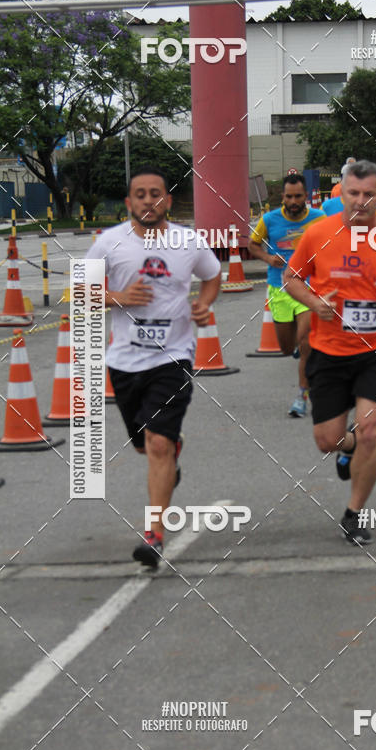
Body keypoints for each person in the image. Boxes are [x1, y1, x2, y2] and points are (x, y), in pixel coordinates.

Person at [86, 167, 221, 568]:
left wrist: (204, 303)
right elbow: (80, 292)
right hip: (124, 362)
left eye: (156, 194)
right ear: (129, 202)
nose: (148, 200)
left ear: (167, 200)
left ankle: (154, 534)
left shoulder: (188, 241)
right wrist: (117, 296)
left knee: (158, 445)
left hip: (172, 358)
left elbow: (212, 276)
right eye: (140, 195)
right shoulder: (109, 243)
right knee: (146, 445)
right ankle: (169, 456)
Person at [283, 160, 376, 545]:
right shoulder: (317, 234)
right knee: (328, 440)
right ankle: (347, 448)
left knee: (372, 429)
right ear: (340, 194)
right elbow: (290, 279)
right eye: (353, 194)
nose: (360, 202)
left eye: (369, 195)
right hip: (328, 352)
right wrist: (314, 302)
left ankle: (354, 512)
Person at [248, 173, 325, 416]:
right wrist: (268, 258)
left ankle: (302, 397)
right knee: (285, 347)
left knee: (305, 343)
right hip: (278, 288)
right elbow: (253, 245)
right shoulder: (269, 220)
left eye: (298, 196)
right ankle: (297, 350)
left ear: (306, 197)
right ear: (283, 197)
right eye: (289, 196)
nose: (293, 201)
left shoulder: (319, 218)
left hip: (307, 287)